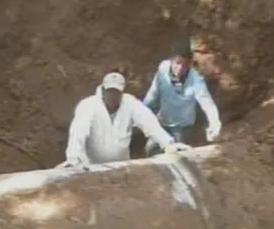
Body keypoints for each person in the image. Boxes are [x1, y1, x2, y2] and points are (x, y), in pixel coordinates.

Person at [61, 72, 191, 168]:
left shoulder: (130, 103)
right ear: (102, 89)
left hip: (122, 168)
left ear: (122, 92)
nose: (112, 95)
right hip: (92, 168)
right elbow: (78, 132)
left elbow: (149, 123)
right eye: (109, 91)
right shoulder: (88, 106)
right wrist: (74, 158)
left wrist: (168, 144)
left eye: (116, 92)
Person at [143, 41, 222, 157]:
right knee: (150, 149)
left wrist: (215, 123)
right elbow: (153, 94)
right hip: (163, 122)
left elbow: (207, 104)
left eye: (184, 65)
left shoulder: (196, 80)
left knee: (174, 155)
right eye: (177, 63)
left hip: (181, 127)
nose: (179, 68)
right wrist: (142, 111)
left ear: (190, 64)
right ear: (171, 60)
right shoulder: (163, 69)